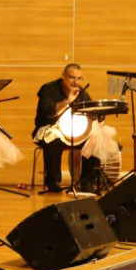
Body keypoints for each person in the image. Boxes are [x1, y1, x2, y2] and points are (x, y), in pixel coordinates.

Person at [34, 62, 100, 193]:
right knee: (53, 139)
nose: (76, 82)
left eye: (79, 78)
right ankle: (53, 181)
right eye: (72, 77)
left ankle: (86, 181)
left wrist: (97, 115)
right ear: (63, 76)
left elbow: (90, 110)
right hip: (51, 127)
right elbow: (48, 112)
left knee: (94, 138)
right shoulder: (48, 89)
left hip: (74, 131)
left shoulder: (81, 92)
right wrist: (67, 101)